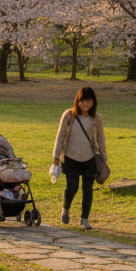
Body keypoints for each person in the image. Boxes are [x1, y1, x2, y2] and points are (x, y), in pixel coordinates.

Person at [52, 86, 107, 230]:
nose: (85, 104)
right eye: (82, 101)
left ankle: (84, 219)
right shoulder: (69, 115)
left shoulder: (97, 118)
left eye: (88, 101)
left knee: (88, 189)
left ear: (93, 102)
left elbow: (101, 140)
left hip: (90, 158)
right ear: (77, 100)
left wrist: (104, 159)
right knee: (72, 187)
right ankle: (65, 208)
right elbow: (60, 136)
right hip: (71, 156)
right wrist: (56, 157)